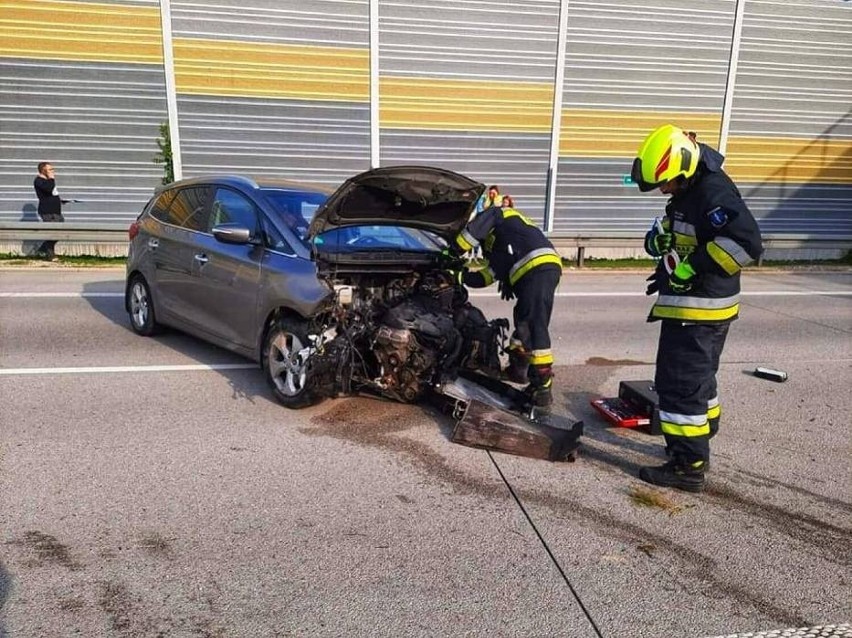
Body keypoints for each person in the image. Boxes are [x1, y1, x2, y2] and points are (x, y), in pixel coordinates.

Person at [631, 124, 763, 492]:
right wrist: (659, 242)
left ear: (685, 168)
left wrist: (693, 266)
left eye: (667, 182)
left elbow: (746, 243)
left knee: (679, 384)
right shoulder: (691, 188)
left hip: (700, 308)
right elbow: (682, 232)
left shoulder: (713, 191)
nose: (664, 189)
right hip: (693, 307)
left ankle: (687, 464)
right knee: (698, 377)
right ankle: (705, 427)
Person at [448, 197, 563, 413]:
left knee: (534, 325)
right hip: (539, 270)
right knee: (523, 319)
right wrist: (459, 276)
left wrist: (453, 250)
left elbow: (479, 227)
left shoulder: (499, 215)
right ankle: (519, 370)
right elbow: (487, 276)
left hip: (538, 268)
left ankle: (543, 387)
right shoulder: (500, 241)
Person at [33, 162, 68, 260]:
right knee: (52, 233)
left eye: (53, 169)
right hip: (48, 211)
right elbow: (48, 189)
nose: (53, 171)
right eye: (50, 169)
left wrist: (59, 201)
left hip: (56, 211)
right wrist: (51, 178)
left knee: (60, 232)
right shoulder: (39, 181)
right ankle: (50, 255)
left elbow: (52, 193)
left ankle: (43, 249)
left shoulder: (48, 181)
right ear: (43, 170)